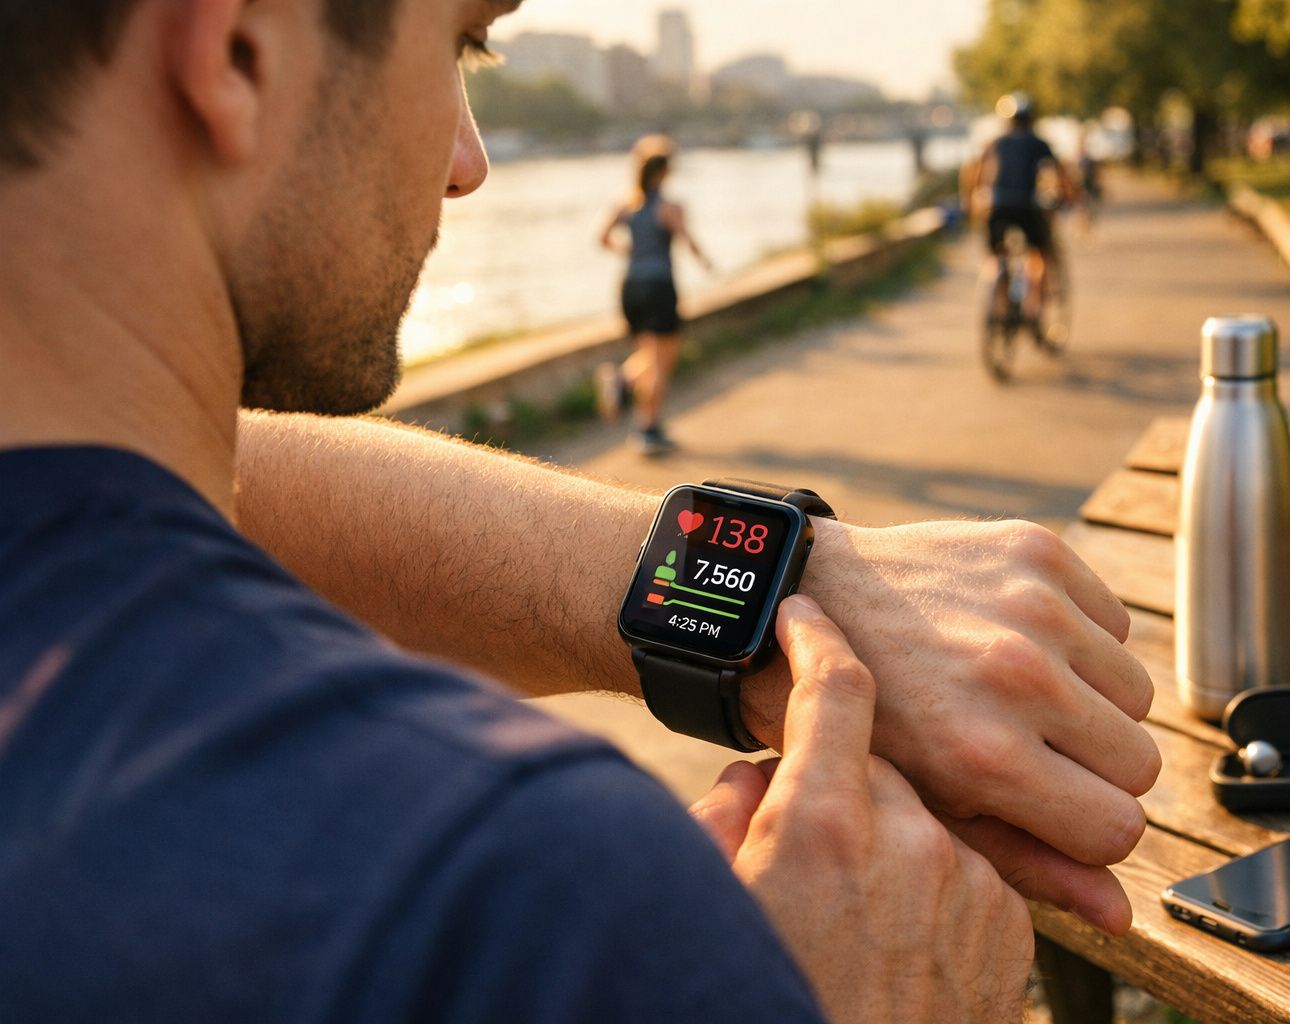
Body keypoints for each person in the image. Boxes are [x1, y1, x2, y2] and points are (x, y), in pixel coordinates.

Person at [0, 0, 1159, 1020]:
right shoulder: (517, 891)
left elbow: (201, 474)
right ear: (239, 45)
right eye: (461, 41)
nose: (467, 162)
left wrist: (761, 582)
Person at [595, 135, 712, 457]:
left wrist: (629, 250)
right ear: (664, 172)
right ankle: (649, 428)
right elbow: (689, 242)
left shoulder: (626, 206)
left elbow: (602, 238)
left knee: (648, 353)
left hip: (631, 287)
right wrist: (707, 263)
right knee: (662, 359)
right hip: (659, 287)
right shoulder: (670, 207)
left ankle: (622, 381)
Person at [971, 93, 1074, 323]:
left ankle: (995, 302)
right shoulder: (1039, 143)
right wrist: (1069, 197)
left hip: (996, 207)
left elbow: (977, 176)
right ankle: (1033, 308)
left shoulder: (995, 143)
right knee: (1039, 255)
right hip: (1028, 206)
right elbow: (1059, 174)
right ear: (1032, 119)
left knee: (995, 255)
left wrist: (975, 203)